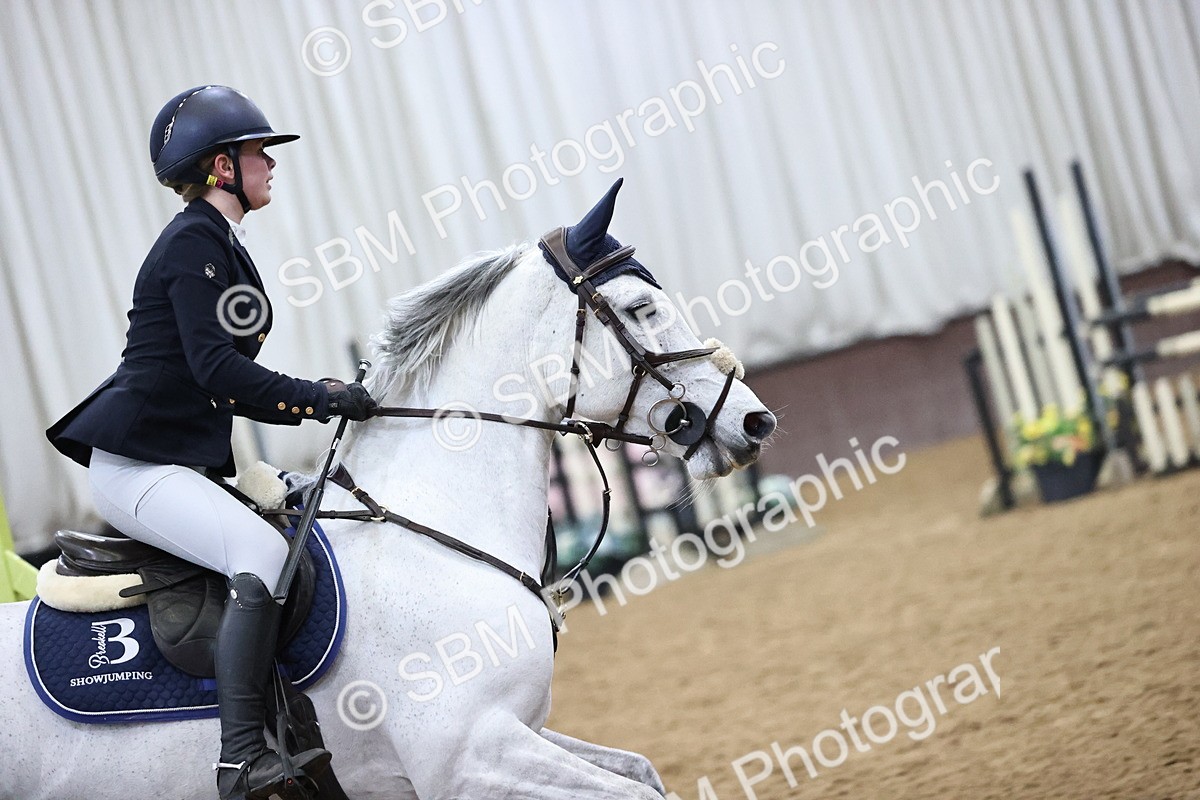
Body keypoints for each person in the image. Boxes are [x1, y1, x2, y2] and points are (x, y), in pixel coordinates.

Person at [45, 85, 377, 800]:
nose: (270, 165)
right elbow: (216, 369)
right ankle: (238, 760)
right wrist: (318, 398)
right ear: (223, 166)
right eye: (259, 152)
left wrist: (314, 396)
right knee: (258, 555)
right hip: (135, 464)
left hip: (168, 457)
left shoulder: (218, 240)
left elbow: (224, 382)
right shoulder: (195, 240)